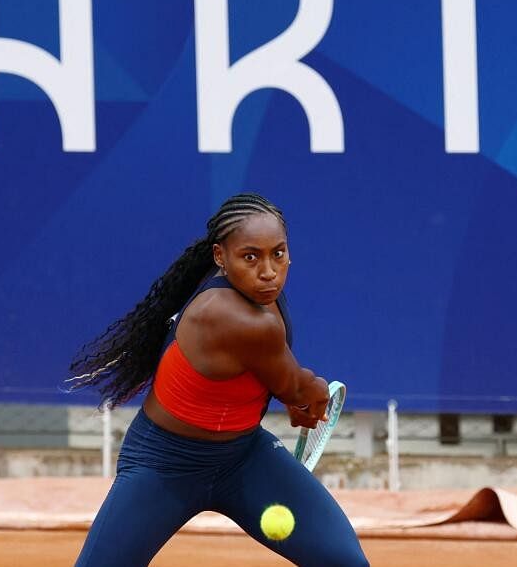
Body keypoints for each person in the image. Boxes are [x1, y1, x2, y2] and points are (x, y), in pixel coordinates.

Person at [68, 193, 369, 566]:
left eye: (278, 253)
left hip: (245, 458)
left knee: (346, 562)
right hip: (164, 464)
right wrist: (316, 392)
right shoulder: (232, 318)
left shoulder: (259, 295)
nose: (268, 270)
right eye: (250, 256)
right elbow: (295, 386)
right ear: (219, 257)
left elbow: (280, 381)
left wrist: (296, 394)